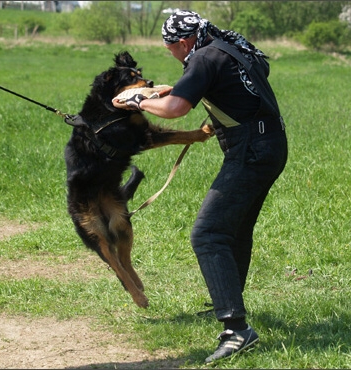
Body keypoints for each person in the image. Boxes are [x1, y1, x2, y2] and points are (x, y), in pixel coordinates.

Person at [113, 10, 288, 363]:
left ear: (183, 42)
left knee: (208, 234)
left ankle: (237, 330)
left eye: (171, 50)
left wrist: (139, 100)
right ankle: (230, 302)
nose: (173, 56)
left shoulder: (205, 58)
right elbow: (229, 84)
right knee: (233, 230)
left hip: (251, 150)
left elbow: (177, 109)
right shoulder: (225, 46)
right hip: (269, 144)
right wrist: (163, 89)